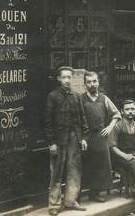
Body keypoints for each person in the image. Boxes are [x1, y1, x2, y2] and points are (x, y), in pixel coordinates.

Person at [44, 66, 89, 215]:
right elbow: (48, 122)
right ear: (59, 79)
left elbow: (83, 118)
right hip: (59, 140)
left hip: (74, 139)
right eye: (64, 77)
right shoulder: (53, 96)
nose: (67, 80)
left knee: (75, 170)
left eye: (69, 77)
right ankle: (54, 205)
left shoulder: (77, 96)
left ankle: (70, 201)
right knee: (56, 172)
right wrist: (51, 142)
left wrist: (83, 138)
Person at [81, 71, 121, 202]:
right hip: (86, 137)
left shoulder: (104, 98)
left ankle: (99, 192)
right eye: (89, 82)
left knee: (102, 164)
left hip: (101, 136)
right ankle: (90, 192)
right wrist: (82, 138)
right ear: (85, 84)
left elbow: (117, 115)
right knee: (89, 164)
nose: (92, 84)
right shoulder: (81, 99)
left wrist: (109, 128)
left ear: (98, 82)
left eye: (94, 81)